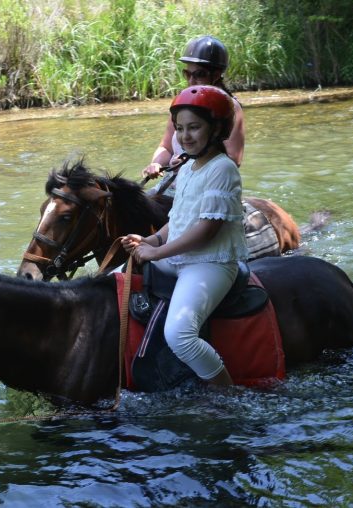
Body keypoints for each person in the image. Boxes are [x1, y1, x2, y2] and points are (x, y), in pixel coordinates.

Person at [122, 85, 249, 387]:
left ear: (217, 129)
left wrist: (156, 253)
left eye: (194, 127)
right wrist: (153, 240)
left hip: (209, 263)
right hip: (177, 256)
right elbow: (179, 217)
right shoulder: (189, 167)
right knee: (112, 281)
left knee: (179, 333)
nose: (184, 136)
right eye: (179, 129)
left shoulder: (223, 169)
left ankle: (225, 394)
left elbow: (206, 230)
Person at [142, 35, 245, 197]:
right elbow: (166, 147)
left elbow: (233, 159)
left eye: (198, 74)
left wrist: (188, 164)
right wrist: (155, 164)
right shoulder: (182, 103)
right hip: (171, 184)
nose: (191, 80)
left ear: (216, 75)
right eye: (187, 74)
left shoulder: (230, 107)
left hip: (203, 189)